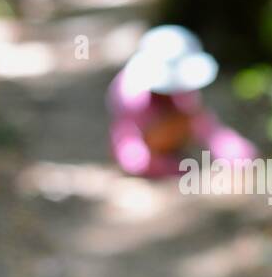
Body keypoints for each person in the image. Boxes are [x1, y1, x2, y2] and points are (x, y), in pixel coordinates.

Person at [107, 25, 257, 178]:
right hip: (150, 144)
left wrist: (237, 155)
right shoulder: (133, 95)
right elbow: (131, 151)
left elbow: (206, 126)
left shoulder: (183, 92)